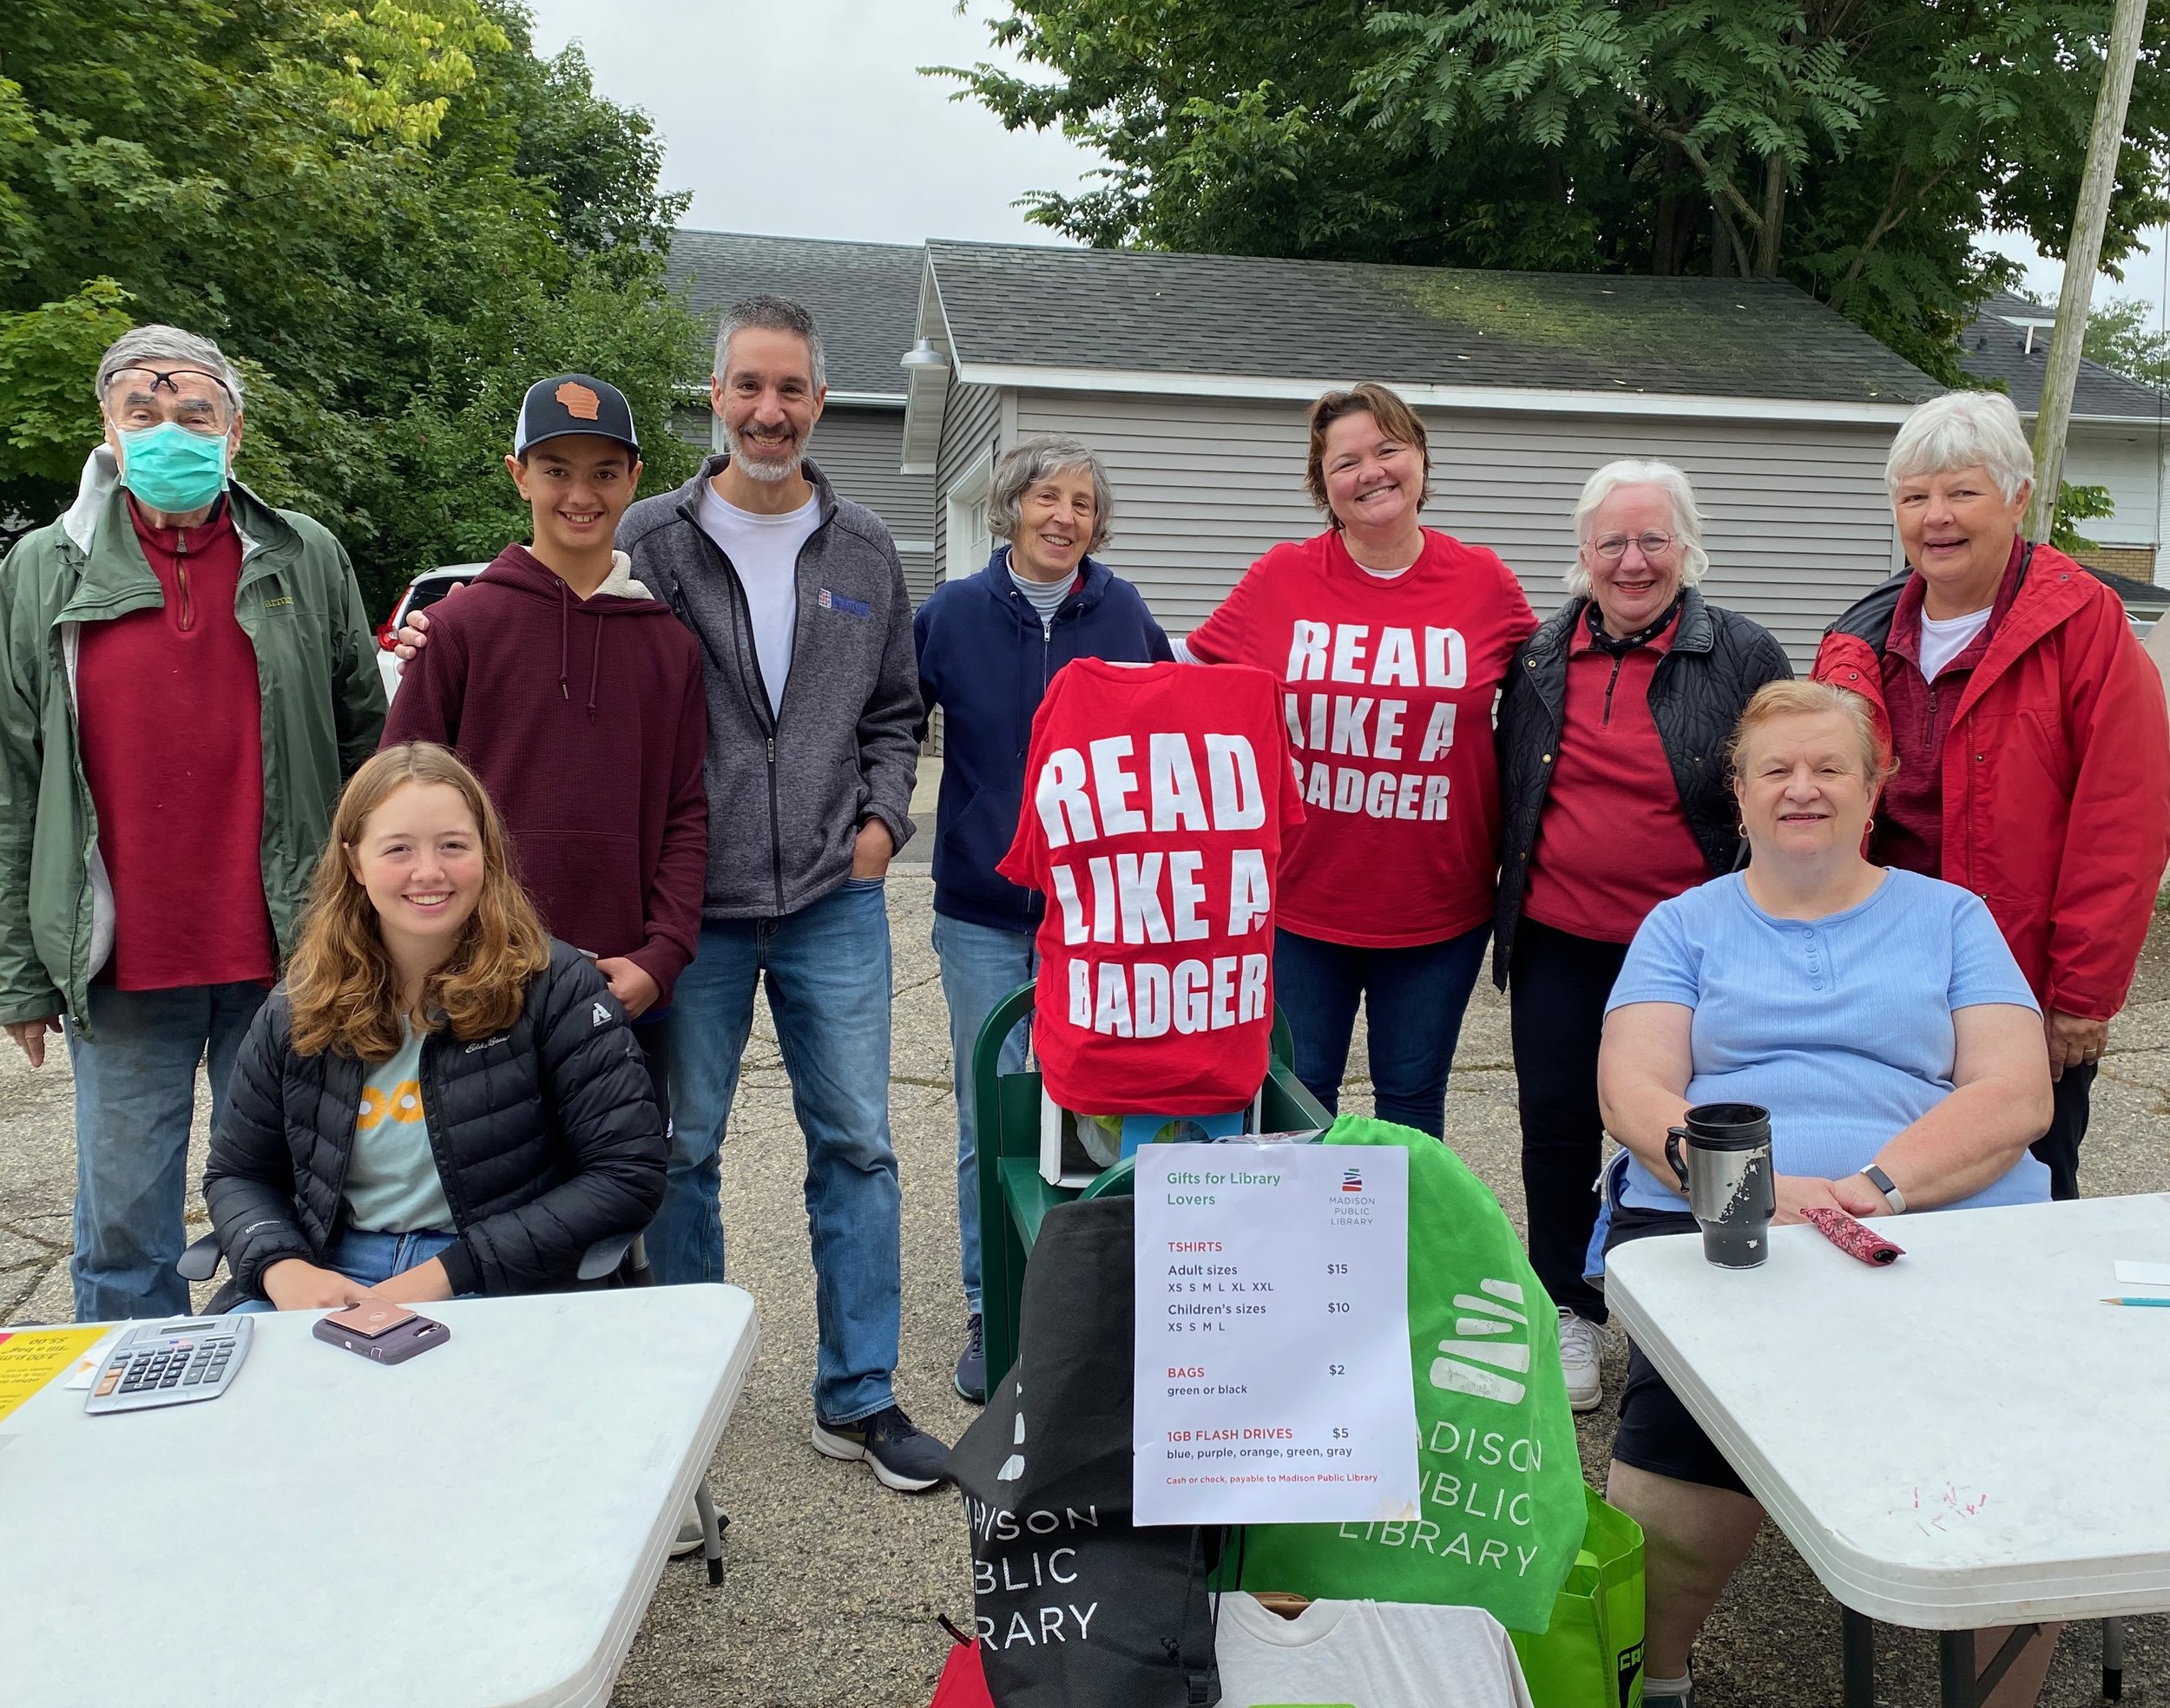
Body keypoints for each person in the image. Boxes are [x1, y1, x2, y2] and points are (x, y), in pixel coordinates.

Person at [399, 294, 940, 1489]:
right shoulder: (649, 537)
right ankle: (685, 1383)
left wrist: (881, 821)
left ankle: (858, 1396)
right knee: (677, 1149)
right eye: (748, 386)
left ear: (818, 400)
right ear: (715, 397)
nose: (769, 410)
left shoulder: (864, 552)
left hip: (831, 905)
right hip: (690, 912)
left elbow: (899, 709)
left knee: (857, 1145)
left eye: (791, 388)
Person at [1597, 681, 2055, 1708]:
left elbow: (2015, 1089)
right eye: (1777, 770)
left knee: (2020, 1481)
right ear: (1741, 794)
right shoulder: (1683, 925)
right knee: (1667, 1490)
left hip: (1940, 1221)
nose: (1802, 789)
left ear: (1874, 787)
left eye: (1829, 768)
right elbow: (1632, 1090)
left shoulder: (1951, 917)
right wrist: (1760, 1195)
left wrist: (1867, 1191)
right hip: (1721, 1221)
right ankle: (1653, 1682)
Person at [0, 325, 385, 1322]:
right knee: (126, 1232)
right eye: (144, 411)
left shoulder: (306, 555)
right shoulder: (45, 568)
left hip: (288, 952)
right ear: (108, 427)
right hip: (123, 964)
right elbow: (15, 774)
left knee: (309, 1208)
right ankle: (128, 1445)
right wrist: (19, 971)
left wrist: (373, 931)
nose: (168, 429)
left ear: (234, 431)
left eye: (193, 413)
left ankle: (296, 1416)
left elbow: (365, 750)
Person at [1815, 389, 2170, 1201]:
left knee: (2025, 1182)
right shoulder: (1861, 637)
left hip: (2019, 979)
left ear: (2017, 498)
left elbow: (2125, 820)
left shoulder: (2085, 627)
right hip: (1883, 970)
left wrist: (2080, 996)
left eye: (1961, 492)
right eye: (1914, 497)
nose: (1935, 517)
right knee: (1890, 1174)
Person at [1493, 461, 1791, 1413]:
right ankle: (1567, 1307)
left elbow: (1778, 789)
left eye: (1652, 539)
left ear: (1685, 545)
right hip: (1559, 938)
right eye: (1612, 542)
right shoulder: (1536, 656)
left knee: (1700, 1128)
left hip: (1692, 953)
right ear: (1582, 555)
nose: (1632, 562)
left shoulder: (1742, 655)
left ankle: (1707, 1309)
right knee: (1557, 1129)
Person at [1177, 382, 1536, 1135]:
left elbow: (1552, 701)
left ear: (1420, 461)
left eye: (1388, 450)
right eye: (1346, 462)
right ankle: (1300, 1257)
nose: (1371, 471)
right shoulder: (1279, 577)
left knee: (1410, 1105)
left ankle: (1398, 1256)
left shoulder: (1485, 583)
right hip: (1301, 903)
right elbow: (1191, 692)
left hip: (1439, 905)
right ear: (1324, 487)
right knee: (1297, 1103)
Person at [204, 743, 665, 1308]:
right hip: (334, 1272)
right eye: (397, 849)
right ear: (354, 864)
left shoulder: (557, 984)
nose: (429, 871)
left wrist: (447, 1273)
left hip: (499, 1277)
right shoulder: (300, 1003)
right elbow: (238, 1174)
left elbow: (625, 1175)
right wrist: (281, 1268)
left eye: (453, 846)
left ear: (487, 854)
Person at [913, 434, 1170, 1403]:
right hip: (983, 911)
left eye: (1082, 504)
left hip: (1101, 911)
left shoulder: (1124, 611)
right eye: (1046, 498)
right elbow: (887, 717)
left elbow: (1167, 733)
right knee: (996, 1108)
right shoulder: (953, 614)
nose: (1064, 516)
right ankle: (998, 1308)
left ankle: (1087, 1298)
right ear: (1009, 507)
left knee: (1095, 1097)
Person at [381, 374, 707, 1128]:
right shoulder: (460, 629)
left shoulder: (669, 646)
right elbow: (392, 811)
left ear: (634, 479)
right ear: (519, 472)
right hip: (477, 980)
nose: (579, 493)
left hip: (621, 986)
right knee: (483, 1206)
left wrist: (662, 958)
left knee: (616, 1204)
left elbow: (686, 814)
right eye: (557, 469)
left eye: (603, 471)